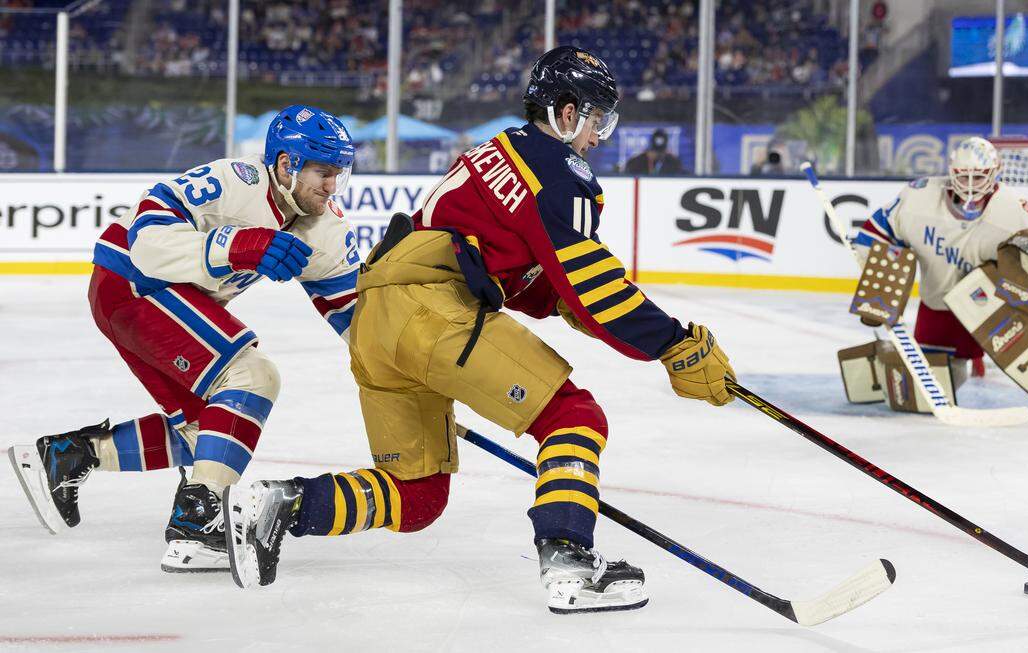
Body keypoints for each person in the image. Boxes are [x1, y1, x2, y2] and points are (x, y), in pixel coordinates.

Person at [222, 46, 736, 613]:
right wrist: (675, 345)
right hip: (433, 311)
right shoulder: (562, 177)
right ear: (566, 114)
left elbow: (517, 271)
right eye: (597, 120)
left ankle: (282, 505)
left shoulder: (497, 151)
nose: (600, 137)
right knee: (573, 417)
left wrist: (563, 301)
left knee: (416, 497)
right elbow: (597, 292)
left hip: (378, 319)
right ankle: (569, 566)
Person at [8, 105, 361, 572]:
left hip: (157, 300)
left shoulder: (326, 227)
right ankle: (197, 522)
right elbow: (146, 243)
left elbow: (353, 314)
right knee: (252, 377)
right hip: (133, 282)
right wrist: (241, 244)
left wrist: (408, 365)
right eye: (322, 172)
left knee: (212, 435)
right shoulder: (234, 181)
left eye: (339, 173)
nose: (332, 185)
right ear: (285, 164)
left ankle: (68, 456)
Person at [840, 136, 1028, 423]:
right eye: (963, 175)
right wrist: (881, 280)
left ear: (995, 172)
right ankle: (883, 365)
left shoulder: (1014, 211)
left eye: (979, 175)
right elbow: (875, 233)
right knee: (932, 387)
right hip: (939, 306)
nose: (970, 184)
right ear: (950, 171)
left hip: (993, 306)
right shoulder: (918, 198)